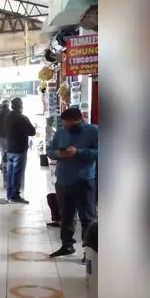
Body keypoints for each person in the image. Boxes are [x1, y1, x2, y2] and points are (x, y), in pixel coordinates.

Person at [48, 107, 99, 257]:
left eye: (68, 122)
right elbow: (50, 150)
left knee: (87, 218)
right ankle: (67, 245)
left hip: (83, 181)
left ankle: (88, 251)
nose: (65, 125)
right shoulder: (60, 132)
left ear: (78, 120)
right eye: (64, 122)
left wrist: (78, 152)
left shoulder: (93, 131)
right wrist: (57, 153)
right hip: (63, 181)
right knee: (66, 215)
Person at [3, 97, 36, 203]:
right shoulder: (22, 118)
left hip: (10, 149)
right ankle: (15, 196)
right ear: (21, 105)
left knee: (10, 173)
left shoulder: (7, 117)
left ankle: (9, 194)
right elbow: (32, 132)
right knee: (17, 173)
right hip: (20, 149)